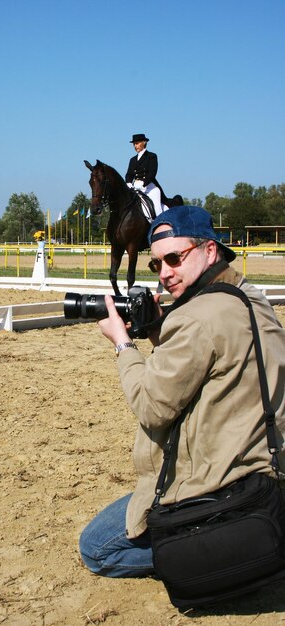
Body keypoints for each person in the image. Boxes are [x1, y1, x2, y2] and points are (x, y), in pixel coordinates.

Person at [79, 205, 285, 578]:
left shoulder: (195, 318)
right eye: (156, 264)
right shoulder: (246, 295)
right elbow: (212, 357)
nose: (165, 274)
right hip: (265, 464)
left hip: (219, 477)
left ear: (209, 250)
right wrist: (160, 331)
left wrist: (123, 344)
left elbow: (151, 407)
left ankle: (220, 553)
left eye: (174, 258)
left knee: (97, 547)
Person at [125, 133, 167, 218]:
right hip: (135, 187)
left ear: (144, 142)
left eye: (137, 143)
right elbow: (129, 174)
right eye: (134, 144)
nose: (135, 146)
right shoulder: (132, 160)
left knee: (156, 208)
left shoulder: (151, 156)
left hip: (150, 187)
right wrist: (128, 182)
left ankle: (159, 222)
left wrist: (143, 183)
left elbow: (152, 173)